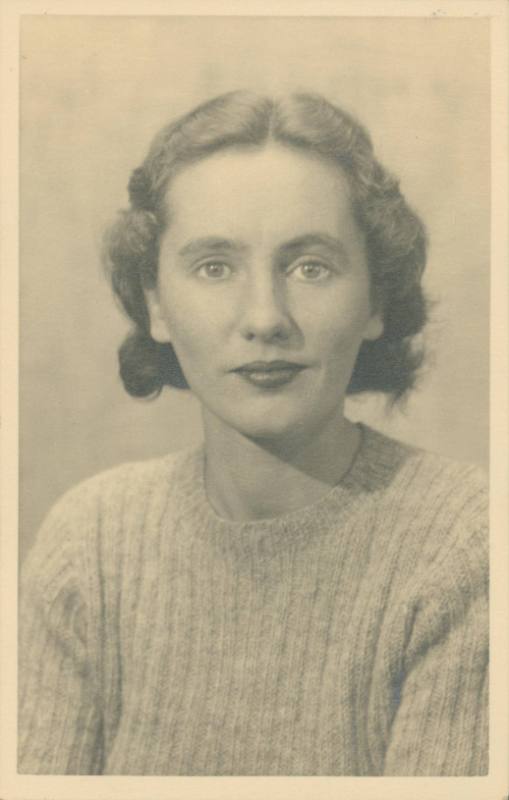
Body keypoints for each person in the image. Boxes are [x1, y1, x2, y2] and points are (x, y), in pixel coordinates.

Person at [18, 91, 488, 776]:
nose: (265, 317)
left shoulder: (465, 547)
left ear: (375, 302)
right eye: (215, 267)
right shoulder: (89, 544)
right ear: (154, 304)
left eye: (310, 267)